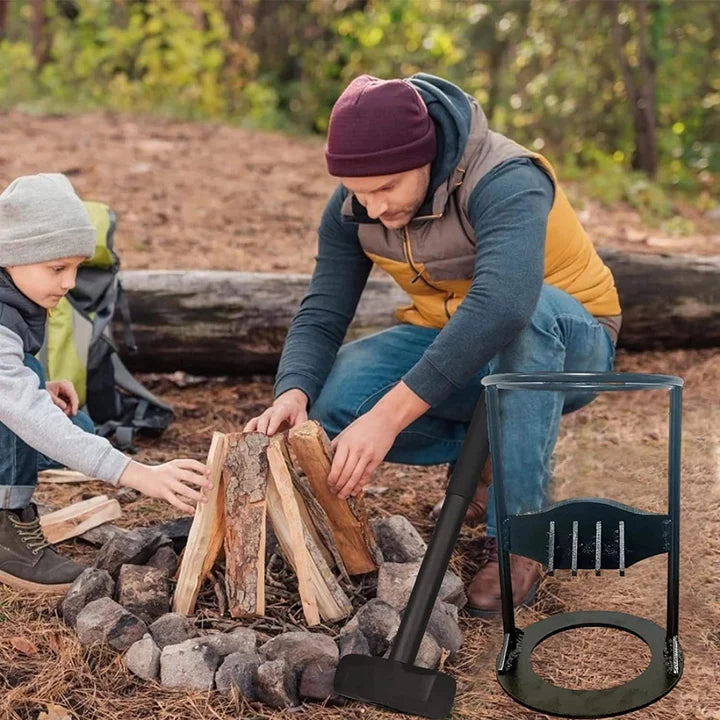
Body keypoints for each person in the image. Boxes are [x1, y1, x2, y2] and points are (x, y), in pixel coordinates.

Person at [244, 73, 621, 615]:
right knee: (335, 401)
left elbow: (505, 305)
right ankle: (495, 448)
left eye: (387, 189)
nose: (373, 208)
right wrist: (292, 391)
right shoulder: (357, 201)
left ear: (426, 157)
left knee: (524, 317)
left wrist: (391, 415)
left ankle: (523, 536)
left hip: (570, 338)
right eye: (358, 193)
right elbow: (324, 306)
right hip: (455, 337)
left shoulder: (508, 178)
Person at [0, 173, 212, 595]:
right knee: (25, 415)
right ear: (11, 255)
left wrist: (38, 384)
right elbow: (18, 407)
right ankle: (6, 521)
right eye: (57, 267)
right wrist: (133, 472)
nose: (70, 283)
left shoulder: (15, 292)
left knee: (73, 423)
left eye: (76, 267)